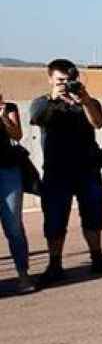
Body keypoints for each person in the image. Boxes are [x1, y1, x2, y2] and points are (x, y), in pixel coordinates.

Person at [29, 60, 102, 283]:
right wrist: (54, 98)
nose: (64, 84)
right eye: (60, 80)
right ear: (50, 79)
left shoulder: (87, 101)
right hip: (57, 171)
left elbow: (98, 123)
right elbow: (37, 118)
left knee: (93, 215)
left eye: (68, 80)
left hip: (87, 169)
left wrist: (85, 100)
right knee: (54, 219)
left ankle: (97, 258)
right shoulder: (42, 102)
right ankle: (54, 264)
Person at [0, 85, 32, 293]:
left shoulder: (9, 108)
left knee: (13, 226)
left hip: (7, 171)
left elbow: (17, 134)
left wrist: (3, 117)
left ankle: (23, 275)